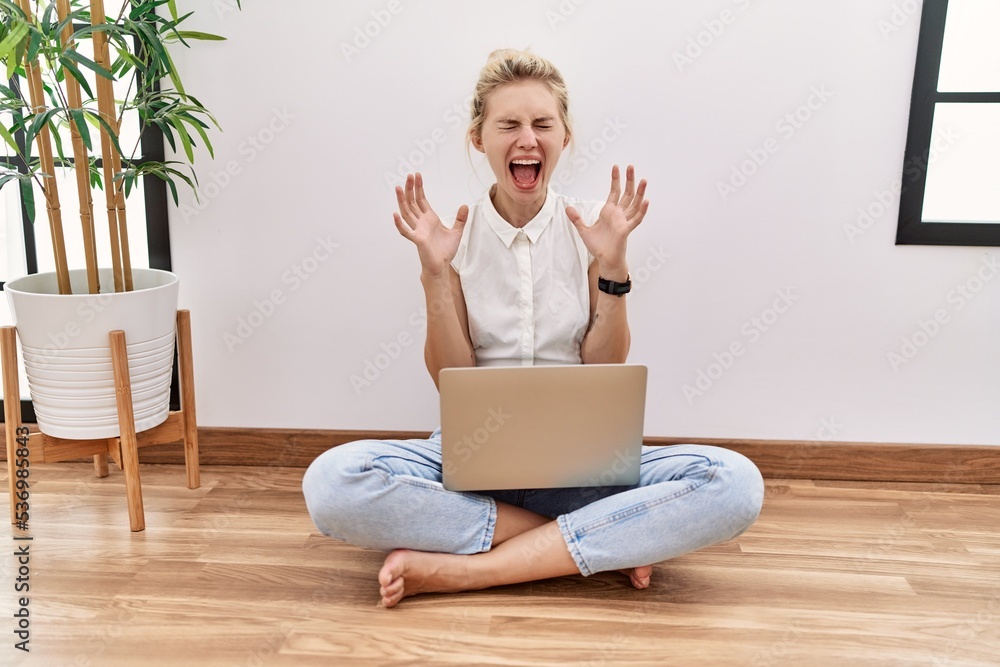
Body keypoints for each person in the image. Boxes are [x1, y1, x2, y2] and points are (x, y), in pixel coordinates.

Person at [303, 49, 764, 609]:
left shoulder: (593, 230)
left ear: (564, 136)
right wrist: (434, 274)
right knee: (332, 483)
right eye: (509, 125)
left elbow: (603, 369)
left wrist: (614, 269)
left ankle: (471, 570)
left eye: (543, 124)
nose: (527, 138)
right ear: (480, 138)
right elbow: (451, 378)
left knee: (735, 482)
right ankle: (600, 537)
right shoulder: (452, 237)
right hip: (471, 462)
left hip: (581, 463)